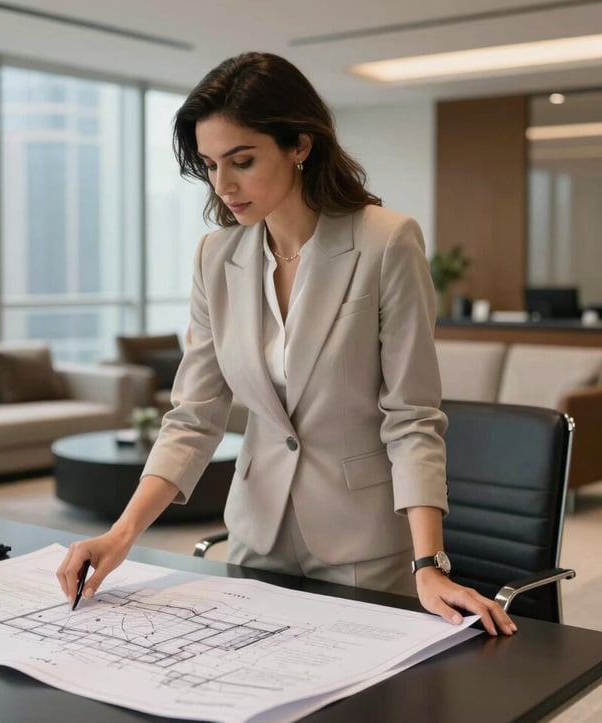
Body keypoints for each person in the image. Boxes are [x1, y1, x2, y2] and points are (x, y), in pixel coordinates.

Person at [57, 51, 516, 636]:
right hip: (255, 535)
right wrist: (120, 535)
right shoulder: (216, 256)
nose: (224, 185)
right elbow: (193, 418)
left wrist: (429, 563)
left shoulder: (386, 242)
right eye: (210, 165)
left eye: (242, 161)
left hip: (363, 541)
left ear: (299, 144)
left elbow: (412, 417)